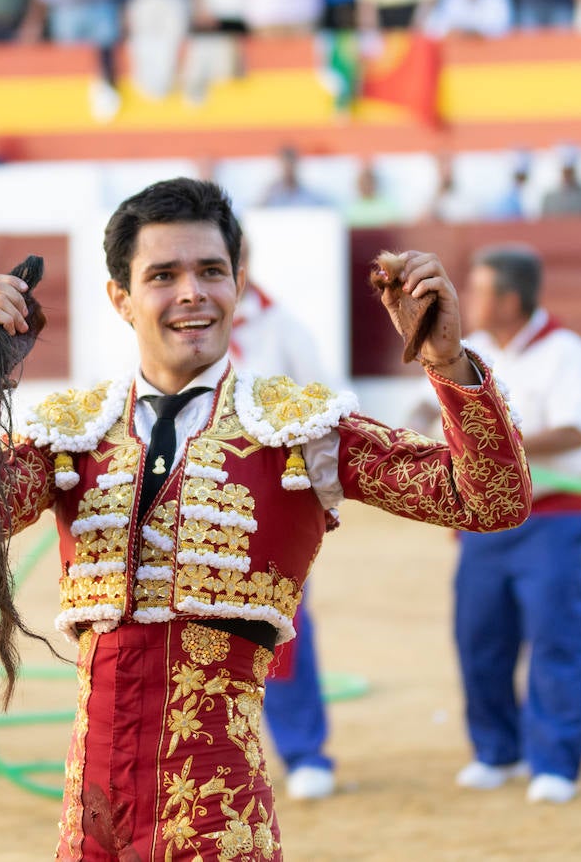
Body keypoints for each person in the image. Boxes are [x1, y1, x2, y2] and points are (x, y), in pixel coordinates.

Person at [0, 177, 533, 859]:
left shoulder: (299, 427)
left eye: (211, 271)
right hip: (89, 825)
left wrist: (447, 361)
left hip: (219, 826)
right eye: (163, 275)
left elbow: (489, 500)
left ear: (238, 283)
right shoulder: (76, 431)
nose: (191, 292)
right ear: (120, 298)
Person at [414, 244, 581, 805]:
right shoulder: (469, 352)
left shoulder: (567, 353)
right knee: (480, 638)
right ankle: (497, 750)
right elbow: (423, 407)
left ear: (510, 300)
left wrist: (494, 442)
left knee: (554, 639)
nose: (469, 299)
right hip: (484, 521)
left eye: (480, 289)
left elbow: (572, 433)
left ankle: (554, 762)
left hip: (550, 516)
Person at [230, 240, 341, 801]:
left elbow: (326, 414)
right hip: (193, 508)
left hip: (273, 506)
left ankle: (304, 751)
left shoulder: (284, 331)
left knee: (285, 630)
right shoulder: (175, 332)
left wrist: (319, 501)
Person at [259, 144, 330, 207]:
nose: (288, 169)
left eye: (291, 164)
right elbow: (257, 213)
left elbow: (323, 209)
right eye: (285, 165)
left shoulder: (308, 194)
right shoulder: (270, 194)